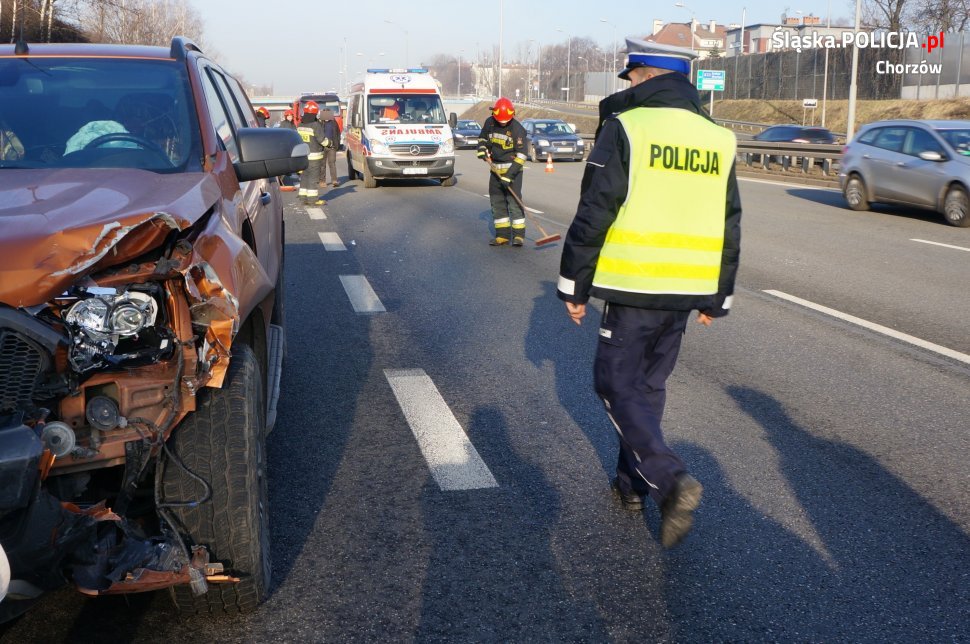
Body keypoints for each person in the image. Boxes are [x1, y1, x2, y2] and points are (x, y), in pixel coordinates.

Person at [556, 39, 741, 548]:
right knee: (647, 389)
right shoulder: (717, 137)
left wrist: (574, 285)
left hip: (636, 283)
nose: (629, 86)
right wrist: (717, 296)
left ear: (645, 77)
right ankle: (630, 483)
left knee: (614, 385)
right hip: (687, 289)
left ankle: (668, 478)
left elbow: (596, 209)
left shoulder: (628, 128)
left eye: (631, 78)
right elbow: (729, 222)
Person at [476, 97, 528, 246]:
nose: (503, 123)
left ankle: (518, 236)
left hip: (513, 172)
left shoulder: (517, 129)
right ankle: (503, 235)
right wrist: (481, 150)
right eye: (501, 120)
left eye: (505, 121)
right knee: (497, 202)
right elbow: (482, 139)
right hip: (495, 170)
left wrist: (509, 176)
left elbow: (522, 156)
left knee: (514, 203)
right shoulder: (490, 123)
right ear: (495, 114)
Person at [296, 101, 330, 205]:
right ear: (315, 113)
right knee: (313, 178)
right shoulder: (315, 125)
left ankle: (303, 198)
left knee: (304, 176)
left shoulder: (300, 124)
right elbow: (322, 140)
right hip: (314, 157)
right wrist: (330, 143)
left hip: (303, 156)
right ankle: (313, 200)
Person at [319, 108, 341, 188]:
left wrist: (337, 145)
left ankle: (334, 180)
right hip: (322, 147)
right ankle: (322, 181)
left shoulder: (334, 123)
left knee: (332, 163)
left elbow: (338, 134)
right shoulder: (320, 123)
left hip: (332, 146)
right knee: (322, 164)